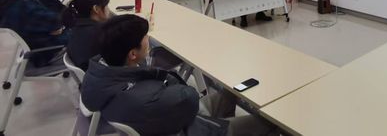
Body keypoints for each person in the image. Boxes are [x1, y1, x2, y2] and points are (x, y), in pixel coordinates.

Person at [80, 15, 276, 136]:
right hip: (190, 127)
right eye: (145, 38)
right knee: (269, 122)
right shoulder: (147, 99)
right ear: (132, 54)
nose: (148, 40)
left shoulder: (100, 74)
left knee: (230, 91)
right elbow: (189, 97)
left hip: (164, 118)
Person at [0, 0, 68, 66]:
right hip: (40, 53)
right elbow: (56, 22)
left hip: (20, 54)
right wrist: (59, 27)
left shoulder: (7, 0)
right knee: (82, 35)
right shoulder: (25, 5)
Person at [62, 0, 111, 71]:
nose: (108, 9)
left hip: (87, 72)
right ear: (96, 9)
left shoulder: (75, 27)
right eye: (107, 6)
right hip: (100, 73)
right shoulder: (100, 32)